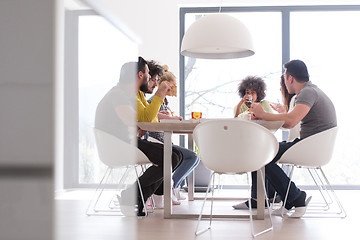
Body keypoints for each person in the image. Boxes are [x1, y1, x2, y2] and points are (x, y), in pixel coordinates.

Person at [238, 60, 337, 218]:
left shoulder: (307, 92)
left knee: (261, 155)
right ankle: (287, 198)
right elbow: (290, 123)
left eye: (284, 78)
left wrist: (263, 114)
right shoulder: (310, 91)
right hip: (313, 144)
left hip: (309, 146)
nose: (284, 83)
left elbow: (290, 121)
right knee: (263, 152)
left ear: (290, 78)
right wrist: (271, 115)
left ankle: (295, 197)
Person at [95, 57, 182, 216]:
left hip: (128, 141)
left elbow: (141, 120)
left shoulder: (128, 95)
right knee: (170, 157)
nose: (150, 78)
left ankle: (136, 199)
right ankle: (131, 195)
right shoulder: (119, 95)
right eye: (148, 74)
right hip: (120, 144)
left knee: (175, 155)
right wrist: (160, 94)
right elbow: (142, 120)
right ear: (140, 75)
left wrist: (138, 124)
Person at [147, 65, 200, 206]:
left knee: (193, 157)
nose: (174, 88)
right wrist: (170, 119)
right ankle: (170, 188)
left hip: (164, 141)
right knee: (189, 156)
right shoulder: (154, 101)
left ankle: (173, 187)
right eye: (173, 85)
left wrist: (171, 118)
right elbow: (148, 116)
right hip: (156, 141)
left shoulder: (164, 102)